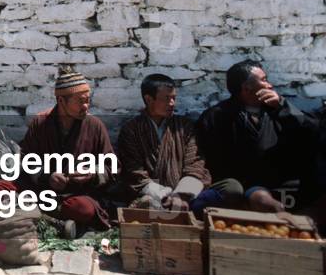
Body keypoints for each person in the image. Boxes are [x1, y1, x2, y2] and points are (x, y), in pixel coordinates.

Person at [0, 66, 115, 237]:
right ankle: (55, 222)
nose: (86, 106)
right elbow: (27, 161)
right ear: (61, 101)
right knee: (2, 186)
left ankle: (34, 215)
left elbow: (111, 167)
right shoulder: (40, 123)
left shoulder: (95, 125)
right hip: (42, 191)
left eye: (88, 100)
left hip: (74, 194)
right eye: (80, 101)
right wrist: (47, 176)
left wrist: (91, 174)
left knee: (83, 209)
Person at [195, 59, 315, 213]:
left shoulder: (278, 109)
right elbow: (208, 157)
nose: (269, 85)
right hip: (239, 186)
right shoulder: (216, 116)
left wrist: (283, 107)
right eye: (264, 80)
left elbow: (309, 131)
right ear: (246, 88)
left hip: (277, 185)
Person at [117, 74, 218, 213]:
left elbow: (195, 162)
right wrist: (163, 195)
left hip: (185, 195)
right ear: (148, 99)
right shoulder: (131, 130)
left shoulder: (184, 126)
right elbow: (134, 171)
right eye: (166, 99)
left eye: (173, 98)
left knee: (225, 192)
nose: (172, 103)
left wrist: (181, 195)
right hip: (152, 195)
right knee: (148, 204)